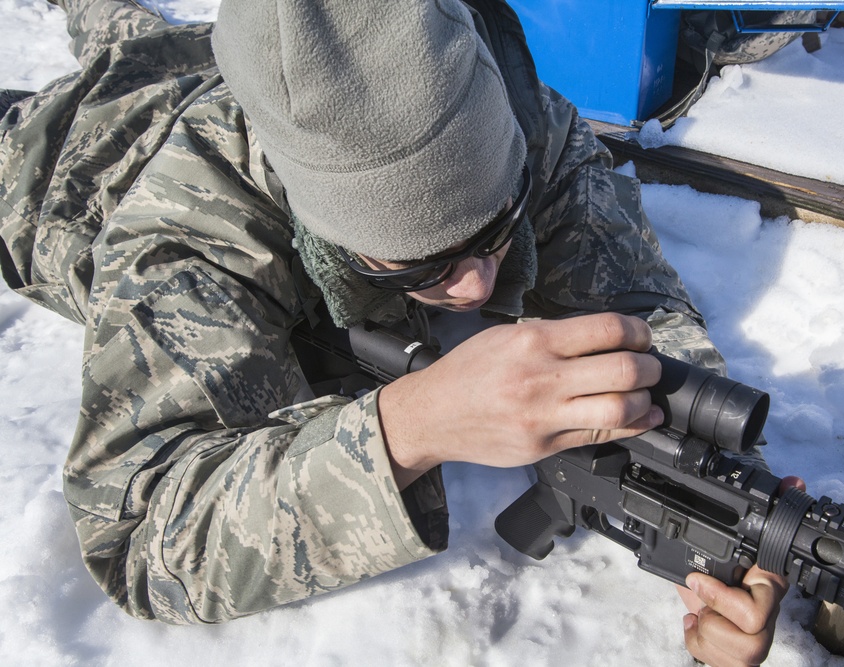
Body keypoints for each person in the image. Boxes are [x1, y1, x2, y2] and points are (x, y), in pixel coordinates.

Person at [0, 0, 795, 663]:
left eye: (497, 228)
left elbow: (633, 303)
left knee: (124, 26)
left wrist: (721, 501)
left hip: (222, 66)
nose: (479, 286)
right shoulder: (190, 235)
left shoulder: (507, 114)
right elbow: (140, 536)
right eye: (420, 267)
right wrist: (412, 423)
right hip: (64, 165)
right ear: (320, 231)